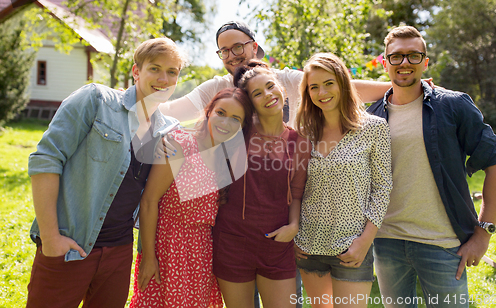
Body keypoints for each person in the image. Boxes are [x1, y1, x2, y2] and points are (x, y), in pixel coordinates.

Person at [25, 37, 186, 308]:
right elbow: (46, 160)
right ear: (136, 71)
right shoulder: (96, 100)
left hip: (119, 253)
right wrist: (51, 238)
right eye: (155, 68)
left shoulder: (168, 131)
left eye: (172, 72)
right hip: (69, 244)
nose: (163, 79)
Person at [368, 26, 496, 308]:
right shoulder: (371, 115)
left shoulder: (452, 105)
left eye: (413, 56)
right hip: (386, 242)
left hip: (443, 243)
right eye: (396, 57)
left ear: (425, 62)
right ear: (385, 62)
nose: (404, 63)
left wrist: (483, 232)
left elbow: (495, 160)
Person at [129, 88, 253, 308]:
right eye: (221, 113)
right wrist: (149, 257)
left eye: (235, 119)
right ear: (208, 112)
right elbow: (149, 201)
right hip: (169, 247)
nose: (226, 122)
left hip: (202, 252)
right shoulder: (180, 145)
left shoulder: (225, 159)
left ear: (242, 126)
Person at [293, 53, 392, 308]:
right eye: (313, 87)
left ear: (343, 83)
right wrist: (295, 233)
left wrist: (365, 240)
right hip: (308, 245)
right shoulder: (303, 132)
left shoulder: (374, 128)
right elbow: (293, 188)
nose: (321, 92)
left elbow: (382, 188)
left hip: (351, 247)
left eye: (328, 83)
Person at [159, 20, 394, 125]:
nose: (231, 56)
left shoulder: (285, 80)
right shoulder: (218, 87)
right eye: (224, 51)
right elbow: (171, 111)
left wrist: (401, 88)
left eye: (238, 47)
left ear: (254, 46)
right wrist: (126, 100)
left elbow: (342, 88)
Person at [212, 61, 311, 308]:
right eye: (257, 93)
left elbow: (297, 193)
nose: (267, 95)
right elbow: (204, 136)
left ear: (282, 89)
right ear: (251, 103)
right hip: (232, 242)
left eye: (270, 86)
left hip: (276, 245)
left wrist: (294, 225)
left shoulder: (298, 141)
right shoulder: (236, 133)